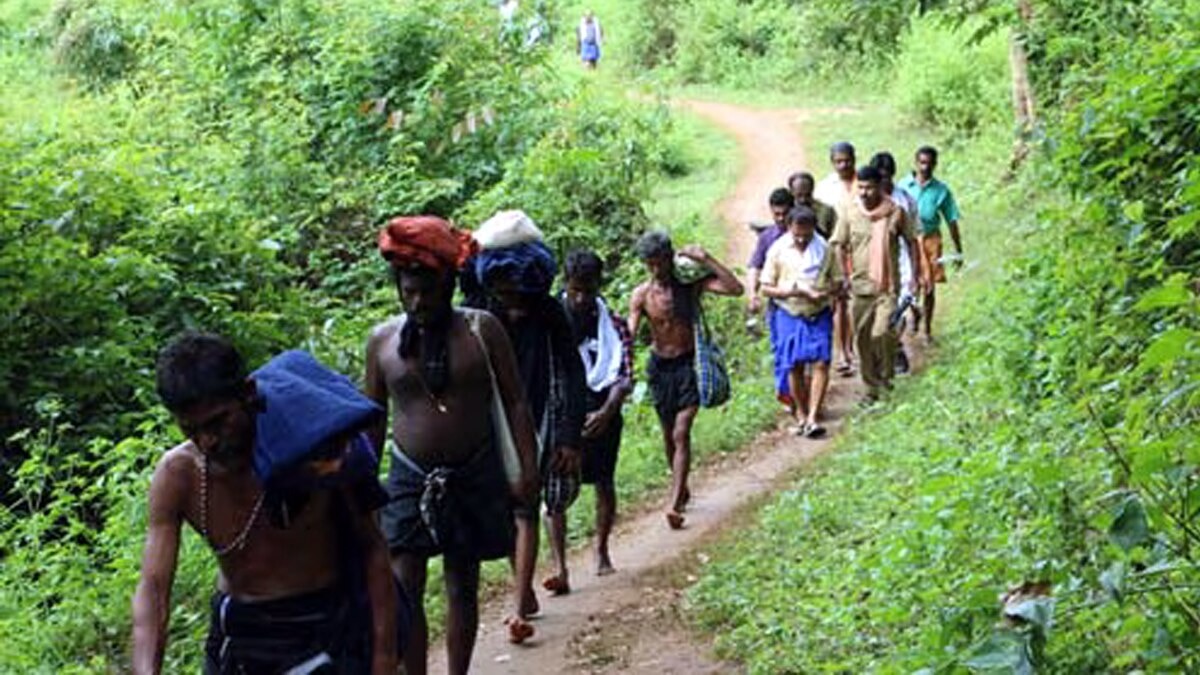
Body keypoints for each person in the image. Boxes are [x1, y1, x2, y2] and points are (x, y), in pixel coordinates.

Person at [133, 333, 399, 675]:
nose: (207, 441)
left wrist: (384, 659)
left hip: (326, 627)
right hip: (241, 637)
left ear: (248, 394)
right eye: (191, 429)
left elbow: (372, 549)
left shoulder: (317, 453)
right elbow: (153, 588)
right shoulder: (178, 475)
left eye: (217, 422)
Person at [367, 215, 539, 673]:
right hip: (407, 478)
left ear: (448, 286)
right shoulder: (382, 343)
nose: (419, 301)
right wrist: (363, 488)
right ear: (399, 289)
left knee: (462, 582)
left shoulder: (483, 331)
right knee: (405, 585)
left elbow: (516, 402)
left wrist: (527, 468)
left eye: (428, 291)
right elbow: (372, 421)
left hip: (473, 472)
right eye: (409, 292)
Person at [469, 212, 586, 642]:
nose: (514, 308)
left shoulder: (549, 311)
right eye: (506, 297)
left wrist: (569, 436)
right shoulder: (477, 312)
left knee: (524, 507)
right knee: (500, 512)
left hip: (537, 419)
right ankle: (523, 587)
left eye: (520, 298)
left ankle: (518, 606)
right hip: (485, 424)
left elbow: (573, 372)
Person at [628, 231, 743, 530]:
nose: (657, 270)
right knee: (669, 434)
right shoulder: (641, 295)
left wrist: (706, 258)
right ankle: (683, 488)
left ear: (670, 257)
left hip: (688, 365)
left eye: (661, 262)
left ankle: (674, 502)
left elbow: (735, 288)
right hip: (659, 369)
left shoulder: (689, 285)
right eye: (651, 264)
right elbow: (628, 335)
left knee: (681, 432)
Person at [561, 250, 634, 577]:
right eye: (575, 290)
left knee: (604, 482)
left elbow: (626, 374)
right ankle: (561, 566)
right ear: (565, 284)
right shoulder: (552, 322)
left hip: (604, 411)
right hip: (563, 415)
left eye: (588, 291)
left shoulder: (613, 323)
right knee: (557, 490)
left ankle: (602, 550)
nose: (581, 298)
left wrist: (606, 410)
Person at [831, 166, 922, 402]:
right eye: (860, 187)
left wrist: (916, 276)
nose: (864, 192)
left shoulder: (896, 212)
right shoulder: (849, 213)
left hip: (887, 287)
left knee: (881, 333)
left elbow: (912, 242)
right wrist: (843, 275)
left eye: (869, 187)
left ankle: (886, 378)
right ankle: (871, 389)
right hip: (860, 288)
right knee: (862, 340)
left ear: (879, 187)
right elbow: (839, 245)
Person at [759, 206, 841, 437]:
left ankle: (814, 416)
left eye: (807, 235)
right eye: (797, 235)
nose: (802, 239)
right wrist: (792, 291)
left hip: (818, 311)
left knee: (821, 363)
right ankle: (802, 414)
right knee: (793, 365)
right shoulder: (777, 250)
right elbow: (766, 287)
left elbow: (838, 281)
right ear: (789, 228)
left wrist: (823, 292)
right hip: (789, 312)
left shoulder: (824, 248)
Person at [897, 145, 963, 341]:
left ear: (935, 164)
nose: (925, 167)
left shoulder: (941, 190)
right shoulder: (903, 186)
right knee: (910, 281)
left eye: (929, 163)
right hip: (909, 240)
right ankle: (914, 311)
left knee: (930, 286)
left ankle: (927, 328)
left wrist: (958, 249)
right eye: (922, 162)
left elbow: (951, 219)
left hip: (931, 240)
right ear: (915, 163)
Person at [870, 151, 925, 373]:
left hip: (901, 261)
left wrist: (917, 272)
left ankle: (896, 349)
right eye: (880, 177)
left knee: (898, 310)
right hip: (874, 262)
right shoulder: (866, 202)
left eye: (887, 176)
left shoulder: (905, 200)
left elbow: (913, 239)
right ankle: (884, 353)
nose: (884, 181)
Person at [814, 141, 859, 377]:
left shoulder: (863, 182)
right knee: (840, 300)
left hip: (862, 247)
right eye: (838, 161)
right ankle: (843, 351)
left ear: (855, 159)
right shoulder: (824, 188)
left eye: (847, 160)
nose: (843, 165)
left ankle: (852, 347)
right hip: (835, 249)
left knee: (859, 298)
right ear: (832, 162)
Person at [746, 187, 794, 317]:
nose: (780, 218)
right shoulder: (767, 237)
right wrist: (752, 294)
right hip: (777, 302)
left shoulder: (806, 234)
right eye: (776, 214)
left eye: (785, 214)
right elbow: (755, 266)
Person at [788, 171, 837, 240]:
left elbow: (834, 237)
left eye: (808, 195)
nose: (803, 200)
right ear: (791, 192)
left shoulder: (826, 211)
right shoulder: (786, 211)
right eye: (799, 195)